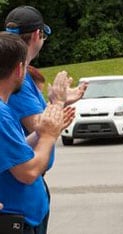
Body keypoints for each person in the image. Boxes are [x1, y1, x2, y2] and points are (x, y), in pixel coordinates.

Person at [4, 5, 87, 233]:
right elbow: (38, 134)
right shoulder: (11, 92)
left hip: (27, 203)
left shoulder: (22, 80)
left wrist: (58, 105)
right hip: (17, 207)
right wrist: (57, 106)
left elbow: (36, 131)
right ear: (39, 35)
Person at [0, 32, 64, 234]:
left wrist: (43, 130)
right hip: (14, 220)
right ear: (20, 69)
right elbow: (27, 172)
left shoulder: (5, 109)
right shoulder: (1, 113)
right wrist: (48, 136)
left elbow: (14, 154)